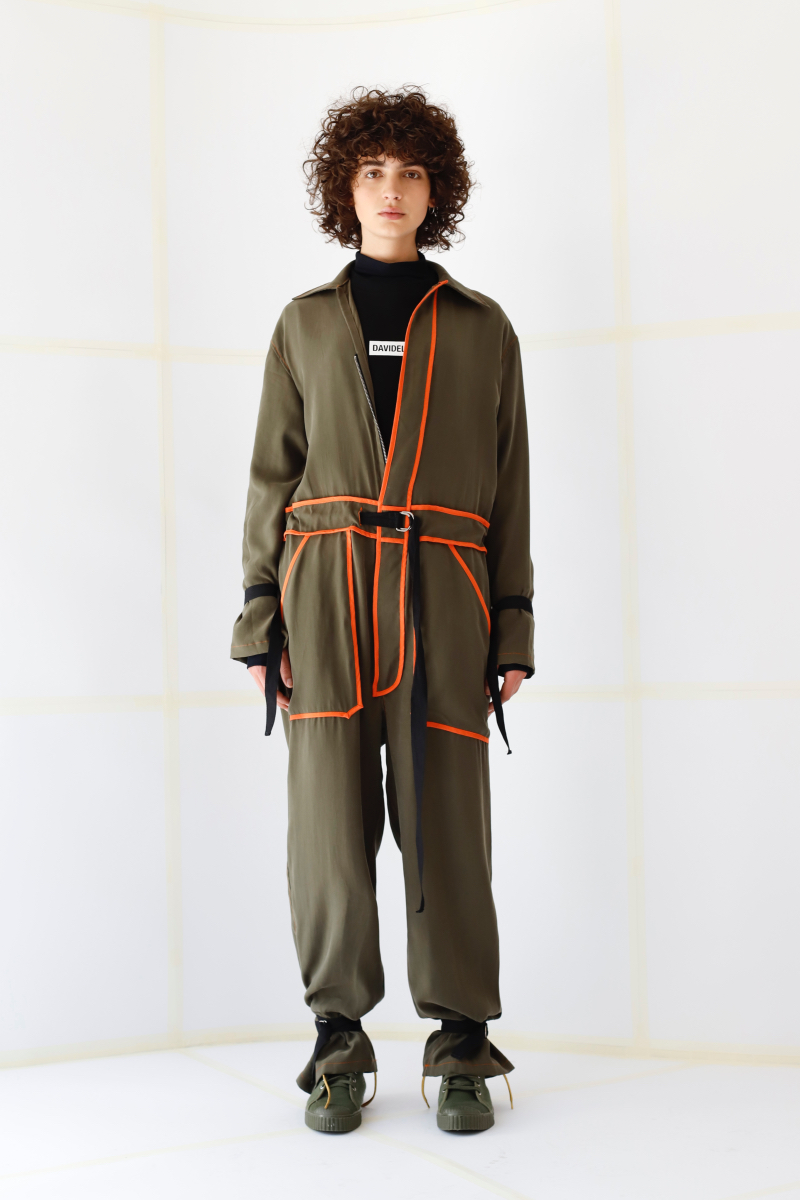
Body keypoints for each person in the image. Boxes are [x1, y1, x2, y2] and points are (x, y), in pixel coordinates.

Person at [231, 86, 534, 1135]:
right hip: (323, 594)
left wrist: (512, 625)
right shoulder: (303, 324)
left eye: (410, 173)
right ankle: (337, 1042)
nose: (391, 190)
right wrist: (260, 619)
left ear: (435, 190)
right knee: (326, 824)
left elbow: (509, 486)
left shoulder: (483, 328)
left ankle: (461, 1044)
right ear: (345, 189)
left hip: (445, 593)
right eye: (371, 172)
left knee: (448, 823)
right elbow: (271, 477)